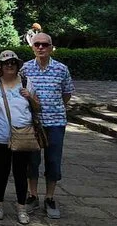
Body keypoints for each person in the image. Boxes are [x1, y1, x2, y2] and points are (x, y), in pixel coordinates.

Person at [0, 50, 40, 225]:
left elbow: (38, 107)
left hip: (22, 135)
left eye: (13, 63)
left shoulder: (26, 82)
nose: (10, 66)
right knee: (1, 170)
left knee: (20, 172)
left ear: (17, 65)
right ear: (0, 66)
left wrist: (29, 97)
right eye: (6, 63)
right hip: (1, 135)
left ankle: (21, 207)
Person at [22, 33, 74, 219]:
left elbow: (67, 94)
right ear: (32, 47)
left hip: (56, 122)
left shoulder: (61, 69)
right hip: (33, 122)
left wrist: (54, 107)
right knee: (32, 161)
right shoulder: (25, 68)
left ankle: (50, 197)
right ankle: (33, 195)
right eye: (37, 44)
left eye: (45, 44)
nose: (41, 47)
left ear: (51, 47)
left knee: (53, 161)